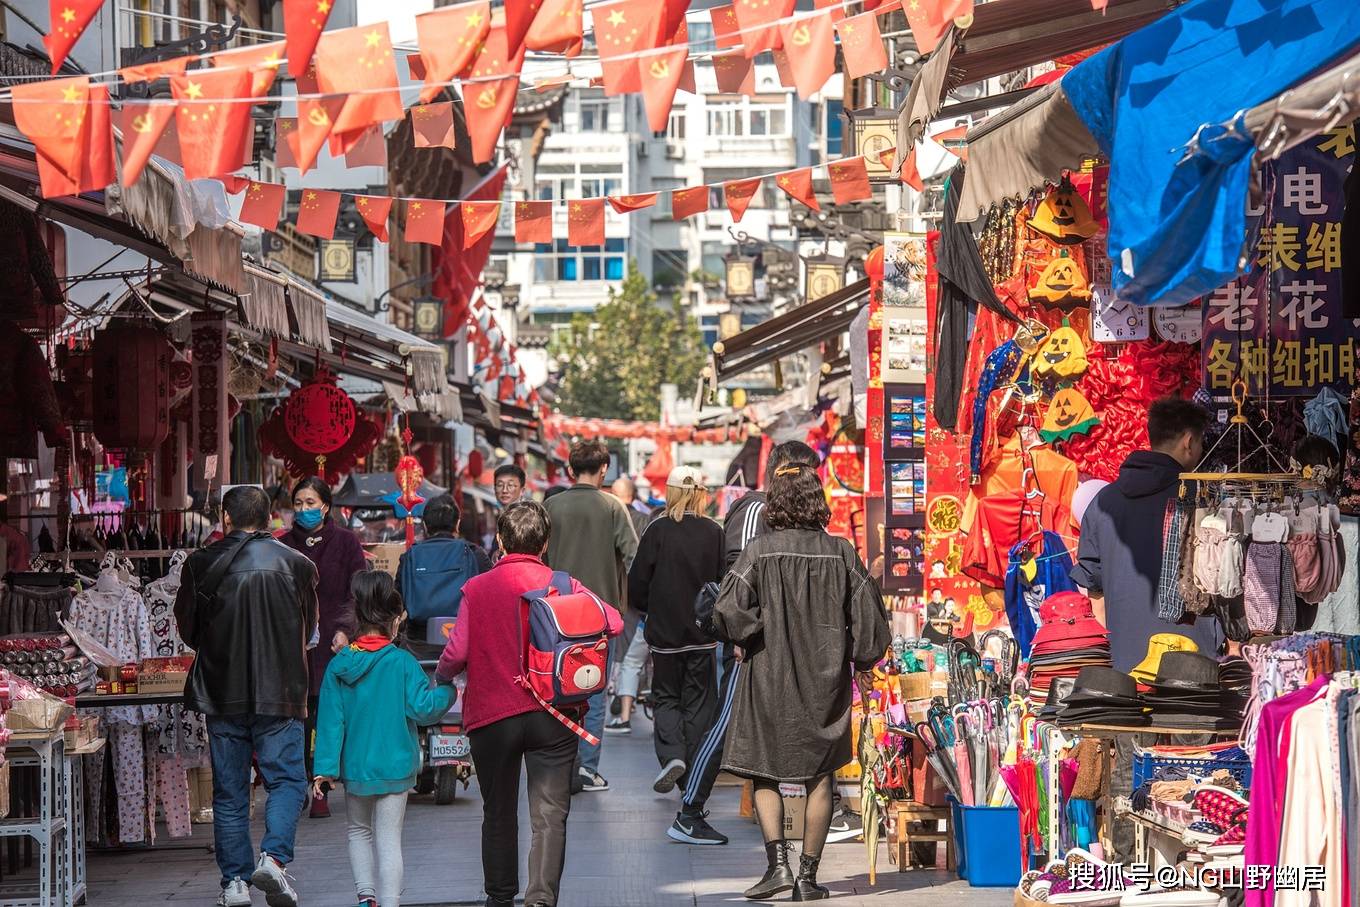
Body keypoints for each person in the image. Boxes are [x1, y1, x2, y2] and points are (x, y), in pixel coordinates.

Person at [712, 449, 890, 901]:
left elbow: (728, 610)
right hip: (825, 679)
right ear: (817, 501)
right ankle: (809, 879)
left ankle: (779, 868)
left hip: (767, 675)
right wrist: (863, 662)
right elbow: (871, 624)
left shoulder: (759, 552)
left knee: (764, 771)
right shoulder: (841, 553)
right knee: (821, 775)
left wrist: (753, 633)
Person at [436, 502, 623, 907]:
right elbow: (614, 621)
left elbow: (456, 653)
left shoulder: (478, 588)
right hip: (554, 715)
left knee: (498, 812)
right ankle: (540, 899)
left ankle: (500, 898)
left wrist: (441, 676)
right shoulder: (564, 584)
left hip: (492, 716)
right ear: (545, 542)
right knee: (550, 815)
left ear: (501, 541)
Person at [679, 441, 863, 846]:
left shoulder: (800, 525)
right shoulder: (756, 511)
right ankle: (690, 808)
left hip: (784, 641)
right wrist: (742, 632)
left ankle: (804, 829)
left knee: (798, 726)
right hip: (753, 642)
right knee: (731, 722)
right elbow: (738, 575)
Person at [173, 485, 318, 907]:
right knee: (287, 780)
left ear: (226, 518)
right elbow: (308, 629)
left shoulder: (201, 563)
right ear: (271, 517)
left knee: (230, 791)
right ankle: (273, 859)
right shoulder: (298, 564)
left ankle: (234, 882)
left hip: (223, 690)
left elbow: (188, 629)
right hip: (282, 690)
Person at [312, 571, 456, 907]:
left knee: (359, 832)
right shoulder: (402, 663)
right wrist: (448, 689)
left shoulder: (339, 667)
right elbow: (423, 709)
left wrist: (324, 770)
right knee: (389, 839)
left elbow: (331, 723)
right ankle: (390, 902)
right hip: (395, 766)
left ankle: (366, 898)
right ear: (394, 620)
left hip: (357, 769)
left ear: (358, 617)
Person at [1070, 397, 1220, 671]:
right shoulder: (1202, 500)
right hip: (1195, 670)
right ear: (1188, 441)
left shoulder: (1103, 503)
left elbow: (1095, 596)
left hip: (1126, 671)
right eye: (1200, 444)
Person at [627, 467, 725, 833]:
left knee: (666, 697)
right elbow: (722, 579)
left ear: (669, 493)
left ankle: (672, 756)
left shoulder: (657, 530)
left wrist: (647, 608)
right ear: (701, 493)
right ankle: (691, 777)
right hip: (702, 634)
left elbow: (637, 581)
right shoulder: (714, 531)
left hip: (664, 634)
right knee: (700, 703)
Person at [544, 439, 639, 793]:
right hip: (599, 616)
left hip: (555, 615)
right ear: (603, 470)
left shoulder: (551, 505)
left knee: (556, 688)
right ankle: (586, 767)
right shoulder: (612, 506)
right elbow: (633, 555)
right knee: (593, 693)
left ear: (570, 470)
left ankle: (557, 765)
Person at [278, 476, 368, 819]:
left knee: (327, 719)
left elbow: (356, 591)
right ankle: (297, 783)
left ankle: (322, 788)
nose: (303, 510)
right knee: (295, 718)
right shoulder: (283, 545)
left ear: (325, 506)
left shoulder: (345, 543)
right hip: (292, 645)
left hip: (333, 642)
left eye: (310, 503)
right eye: (298, 504)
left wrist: (346, 629)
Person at [395, 494, 490, 647]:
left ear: (425, 525)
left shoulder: (409, 557)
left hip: (418, 644)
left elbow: (397, 602)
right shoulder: (475, 554)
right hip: (465, 644)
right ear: (457, 524)